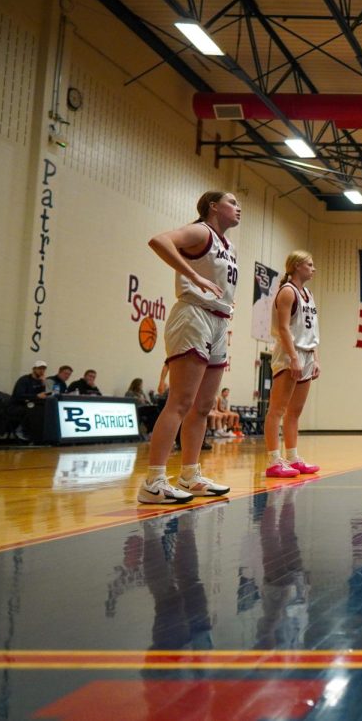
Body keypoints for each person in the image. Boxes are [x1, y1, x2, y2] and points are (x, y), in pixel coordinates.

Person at [137, 191, 239, 504]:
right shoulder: (200, 231)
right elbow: (159, 240)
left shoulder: (228, 245)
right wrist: (193, 275)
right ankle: (153, 480)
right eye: (232, 202)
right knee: (180, 401)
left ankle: (190, 474)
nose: (238, 208)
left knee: (204, 407)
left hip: (219, 320)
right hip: (194, 313)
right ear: (213, 206)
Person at [264, 250, 322, 478]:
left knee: (295, 412)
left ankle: (293, 457)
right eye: (309, 264)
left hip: (307, 353)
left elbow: (311, 329)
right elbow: (284, 328)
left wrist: (315, 357)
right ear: (297, 266)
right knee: (277, 410)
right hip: (290, 353)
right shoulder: (287, 292)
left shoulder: (308, 293)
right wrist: (294, 358)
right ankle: (273, 460)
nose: (313, 268)